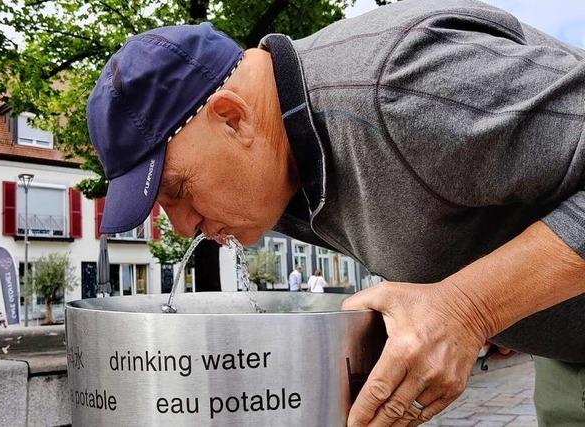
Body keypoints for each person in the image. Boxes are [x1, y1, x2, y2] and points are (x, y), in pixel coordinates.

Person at [86, 1, 585, 425]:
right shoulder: (277, 178)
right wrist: (513, 298)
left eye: (178, 189)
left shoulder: (403, 84)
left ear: (233, 118)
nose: (183, 226)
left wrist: (471, 309)